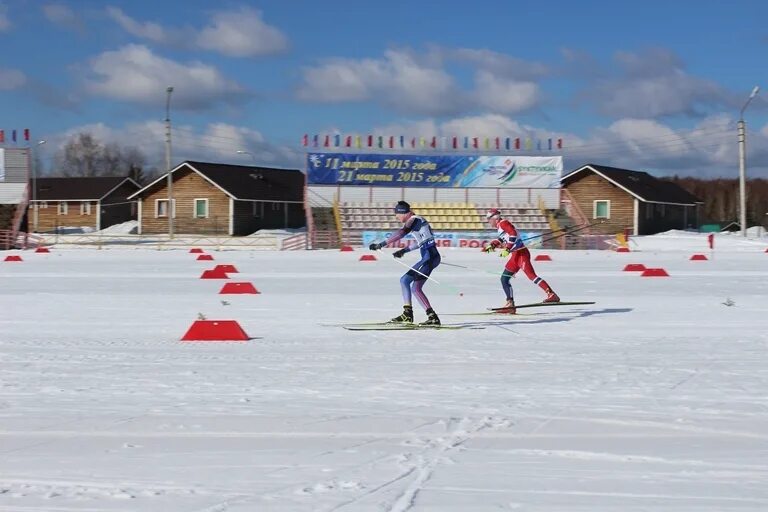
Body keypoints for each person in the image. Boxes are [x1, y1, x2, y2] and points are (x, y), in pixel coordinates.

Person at [368, 201, 441, 325]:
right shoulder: (418, 222)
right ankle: (410, 314)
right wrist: (404, 250)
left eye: (397, 214)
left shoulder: (413, 220)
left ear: (403, 212)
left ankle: (430, 317)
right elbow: (420, 242)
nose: (397, 217)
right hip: (430, 257)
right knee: (406, 282)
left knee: (414, 287)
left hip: (429, 257)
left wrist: (381, 244)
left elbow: (401, 233)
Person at [482, 208, 560, 313]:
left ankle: (551, 294)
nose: (488, 221)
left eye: (489, 219)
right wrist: (491, 246)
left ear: (494, 218)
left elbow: (513, 234)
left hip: (521, 253)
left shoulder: (503, 223)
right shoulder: (500, 227)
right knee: (504, 278)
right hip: (515, 255)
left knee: (532, 276)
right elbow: (502, 239)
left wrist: (507, 248)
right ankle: (510, 304)